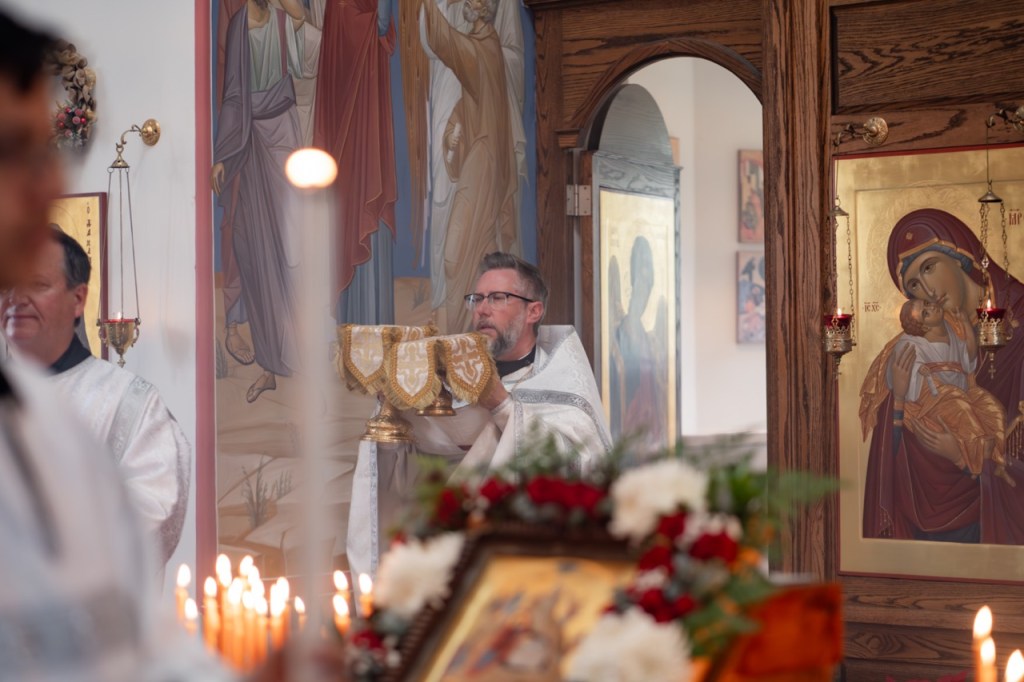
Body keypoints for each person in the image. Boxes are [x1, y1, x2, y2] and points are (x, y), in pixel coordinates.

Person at [347, 252, 611, 575]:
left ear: (534, 311)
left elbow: (579, 468)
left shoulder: (562, 383)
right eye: (477, 299)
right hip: (448, 559)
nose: (482, 309)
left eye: (498, 298)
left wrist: (502, 406)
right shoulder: (447, 381)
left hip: (527, 562)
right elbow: (413, 473)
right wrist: (393, 409)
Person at [2, 227, 191, 566]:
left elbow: (152, 518)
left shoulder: (131, 404)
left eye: (38, 284)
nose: (16, 297)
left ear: (78, 299)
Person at [860, 208, 1024, 544]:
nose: (928, 290)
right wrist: (899, 399)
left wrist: (961, 456)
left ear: (960, 253)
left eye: (929, 267)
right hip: (934, 521)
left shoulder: (1017, 321)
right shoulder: (915, 342)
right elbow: (890, 453)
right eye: (914, 285)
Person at [212, 0, 306, 402]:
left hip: (282, 134)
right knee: (254, 245)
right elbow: (234, 95)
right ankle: (270, 363)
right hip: (249, 140)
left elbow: (303, 51)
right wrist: (223, 154)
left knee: (288, 244)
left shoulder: (283, 20)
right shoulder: (238, 26)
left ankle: (301, 361)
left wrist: (293, 12)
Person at [420, 0, 520, 334]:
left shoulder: (482, 52)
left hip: (483, 164)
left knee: (455, 255)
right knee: (479, 248)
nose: (465, 3)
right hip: (481, 160)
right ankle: (478, 335)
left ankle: (465, 335)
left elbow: (443, 40)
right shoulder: (485, 49)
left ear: (481, 8)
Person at [890, 299, 1012, 486]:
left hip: (963, 393)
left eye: (927, 304)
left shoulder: (950, 330)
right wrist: (912, 376)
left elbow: (968, 358)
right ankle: (977, 466)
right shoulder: (909, 343)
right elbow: (907, 384)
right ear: (923, 327)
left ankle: (998, 462)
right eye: (925, 313)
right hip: (935, 400)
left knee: (992, 408)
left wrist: (965, 323)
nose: (931, 307)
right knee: (962, 409)